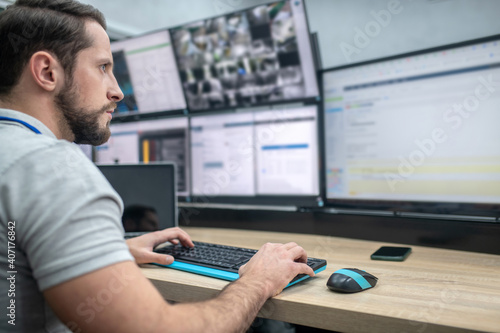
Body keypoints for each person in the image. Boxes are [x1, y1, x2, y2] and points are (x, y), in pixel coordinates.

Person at [0, 1, 315, 332]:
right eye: (103, 67)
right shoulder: (53, 168)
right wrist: (258, 281)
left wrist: (104, 254)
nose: (117, 91)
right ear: (48, 72)